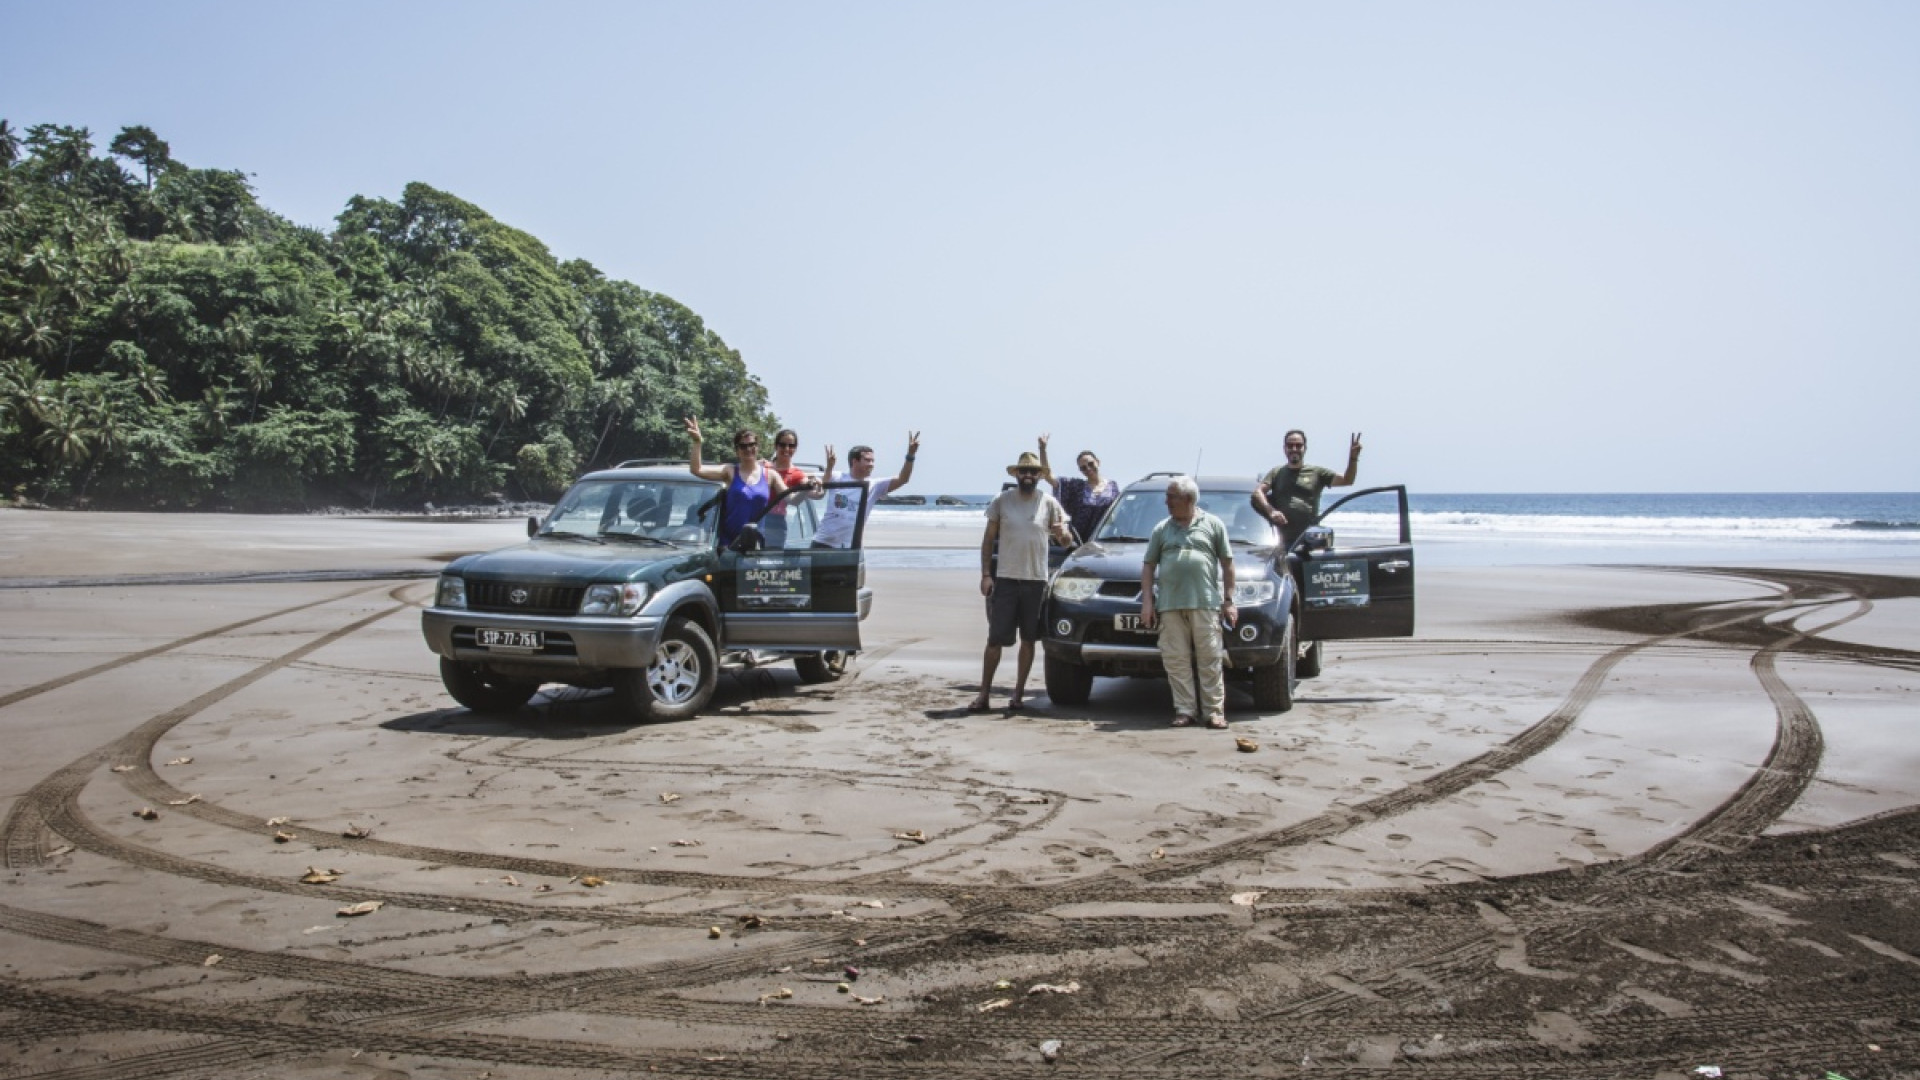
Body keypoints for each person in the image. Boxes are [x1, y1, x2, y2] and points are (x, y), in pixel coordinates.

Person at [968, 451, 1072, 712]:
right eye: (1023, 471)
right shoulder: (1001, 501)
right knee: (995, 640)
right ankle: (983, 695)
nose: (1028, 476)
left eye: (1033, 472)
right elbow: (988, 540)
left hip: (1036, 581)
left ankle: (1018, 694)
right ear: (1016, 474)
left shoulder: (1048, 503)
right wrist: (985, 575)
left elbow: (1067, 541)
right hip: (1005, 580)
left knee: (1028, 640)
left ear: (1039, 476)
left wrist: (1063, 535)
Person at [1141, 476, 1237, 728]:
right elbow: (1149, 566)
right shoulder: (1162, 528)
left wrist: (1229, 601)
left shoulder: (1213, 524)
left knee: (1210, 657)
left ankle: (1214, 712)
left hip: (1204, 602)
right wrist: (1147, 603)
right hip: (1170, 604)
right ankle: (1185, 710)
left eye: (1171, 496)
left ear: (1188, 499)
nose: (1166, 501)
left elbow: (1228, 564)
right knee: (1176, 660)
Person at [684, 416, 796, 549]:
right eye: (743, 446)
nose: (748, 449)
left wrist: (814, 487)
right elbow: (696, 470)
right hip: (728, 546)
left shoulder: (770, 475)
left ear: (757, 447)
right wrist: (697, 442)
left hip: (755, 547)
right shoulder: (730, 471)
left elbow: (792, 499)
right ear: (737, 450)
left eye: (752, 445)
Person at [1252, 430, 1362, 549]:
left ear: (1305, 448)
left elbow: (1347, 480)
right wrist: (1271, 511)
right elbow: (1258, 493)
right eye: (1290, 446)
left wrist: (1353, 458)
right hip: (1281, 542)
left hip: (1309, 542)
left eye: (1298, 445)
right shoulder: (1276, 472)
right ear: (1284, 449)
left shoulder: (1317, 473)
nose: (1294, 449)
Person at [813, 433, 919, 549]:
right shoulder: (837, 477)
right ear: (854, 461)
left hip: (850, 548)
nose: (871, 464)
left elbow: (903, 479)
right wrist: (829, 467)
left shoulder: (874, 485)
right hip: (822, 544)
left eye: (873, 461)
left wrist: (910, 455)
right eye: (867, 460)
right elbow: (817, 483)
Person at [1037, 433, 1118, 542]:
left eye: (1091, 464)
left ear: (1098, 462)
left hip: (1105, 543)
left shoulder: (1112, 486)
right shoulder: (1077, 486)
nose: (1088, 469)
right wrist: (1042, 449)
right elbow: (1049, 477)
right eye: (1083, 468)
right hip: (1079, 543)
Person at [762, 428, 814, 550]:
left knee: (771, 561)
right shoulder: (763, 468)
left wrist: (811, 486)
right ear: (776, 446)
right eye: (782, 445)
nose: (786, 449)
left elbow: (816, 494)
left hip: (776, 523)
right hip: (753, 517)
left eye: (791, 446)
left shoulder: (797, 474)